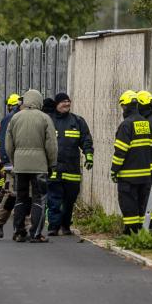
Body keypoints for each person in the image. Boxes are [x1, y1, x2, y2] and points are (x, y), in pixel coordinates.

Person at [4, 89, 57, 243]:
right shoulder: (45, 118)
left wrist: (15, 161)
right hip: (39, 166)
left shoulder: (15, 118)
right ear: (39, 101)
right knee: (39, 199)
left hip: (20, 166)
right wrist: (52, 164)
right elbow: (51, 145)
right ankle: (35, 233)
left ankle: (19, 232)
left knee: (20, 197)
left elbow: (8, 144)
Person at [45, 92, 93, 236]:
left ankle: (65, 226)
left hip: (72, 169)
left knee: (70, 199)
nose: (66, 104)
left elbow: (86, 139)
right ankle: (53, 226)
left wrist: (89, 155)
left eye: (68, 101)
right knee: (54, 199)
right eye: (63, 102)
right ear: (57, 104)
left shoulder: (77, 121)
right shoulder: (49, 121)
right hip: (54, 168)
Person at [111, 90, 152, 234]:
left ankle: (130, 233)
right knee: (143, 204)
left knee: (129, 204)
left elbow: (120, 151)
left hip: (128, 175)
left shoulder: (126, 125)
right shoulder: (145, 123)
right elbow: (150, 146)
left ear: (126, 106)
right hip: (144, 174)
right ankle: (144, 233)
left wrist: (114, 170)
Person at [0, 94, 22, 237]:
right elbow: (4, 141)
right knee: (12, 196)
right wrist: (6, 162)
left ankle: (23, 229)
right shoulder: (9, 119)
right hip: (13, 164)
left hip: (28, 164)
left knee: (26, 197)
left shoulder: (33, 117)